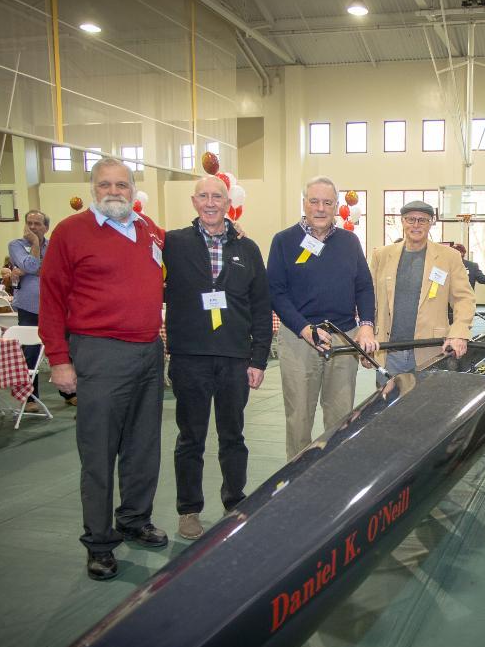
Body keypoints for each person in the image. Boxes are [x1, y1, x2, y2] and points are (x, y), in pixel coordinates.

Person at [39, 157, 168, 581]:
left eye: (121, 185)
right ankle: (99, 541)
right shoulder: (70, 232)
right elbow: (52, 298)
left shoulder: (147, 229)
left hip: (148, 353)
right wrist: (59, 359)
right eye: (104, 185)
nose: (113, 192)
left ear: (133, 189)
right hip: (98, 353)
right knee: (98, 453)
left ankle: (134, 518)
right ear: (93, 189)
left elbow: (181, 251)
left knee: (143, 446)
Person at [164, 176, 272, 540]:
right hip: (189, 357)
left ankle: (234, 501)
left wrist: (257, 359)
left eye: (218, 197)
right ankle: (189, 509)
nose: (211, 203)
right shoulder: (173, 244)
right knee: (190, 438)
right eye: (204, 196)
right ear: (194, 201)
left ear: (230, 204)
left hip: (233, 358)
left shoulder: (248, 249)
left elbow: (261, 307)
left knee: (233, 436)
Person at [267, 176, 378, 460]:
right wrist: (304, 328)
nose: (320, 208)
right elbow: (276, 292)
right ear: (304, 203)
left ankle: (335, 475)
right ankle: (296, 482)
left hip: (343, 339)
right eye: (314, 201)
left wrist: (366, 327)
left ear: (336, 206)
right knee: (299, 418)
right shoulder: (283, 241)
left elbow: (364, 286)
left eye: (327, 202)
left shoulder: (350, 242)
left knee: (340, 417)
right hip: (298, 339)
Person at [369, 202, 475, 375]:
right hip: (388, 351)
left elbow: (463, 299)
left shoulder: (449, 257)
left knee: (427, 401)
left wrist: (459, 332)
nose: (416, 225)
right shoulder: (381, 255)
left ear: (431, 222)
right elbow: (370, 299)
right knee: (388, 401)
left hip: (432, 350)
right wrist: (367, 336)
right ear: (402, 222)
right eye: (411, 219)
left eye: (422, 220)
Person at [8, 210, 75, 411]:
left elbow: (59, 270)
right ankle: (30, 397)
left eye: (38, 223)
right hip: (29, 307)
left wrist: (31, 270)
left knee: (66, 349)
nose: (33, 227)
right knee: (30, 351)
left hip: (55, 305)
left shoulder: (55, 245)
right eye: (30, 223)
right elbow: (31, 264)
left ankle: (70, 392)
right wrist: (35, 247)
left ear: (46, 227)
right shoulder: (16, 245)